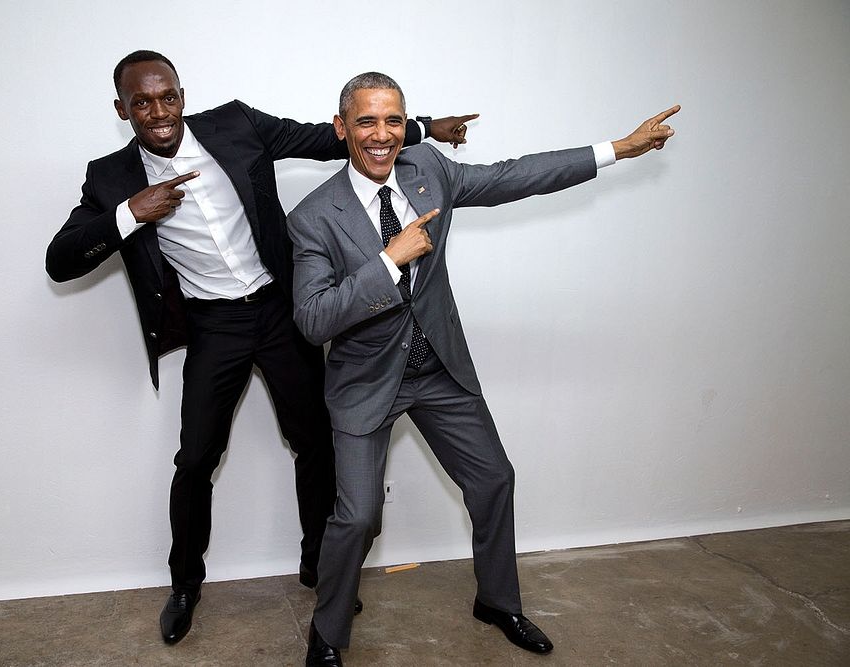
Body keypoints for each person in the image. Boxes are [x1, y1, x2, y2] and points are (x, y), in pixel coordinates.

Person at [45, 51, 477, 645]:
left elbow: (329, 138)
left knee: (314, 442)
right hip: (214, 327)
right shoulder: (110, 178)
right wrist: (128, 214)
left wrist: (429, 125)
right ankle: (184, 585)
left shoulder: (236, 125)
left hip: (280, 312)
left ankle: (318, 568)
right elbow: (60, 261)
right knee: (195, 459)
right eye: (141, 103)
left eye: (166, 96)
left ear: (182, 95)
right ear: (123, 110)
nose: (158, 111)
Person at [287, 71, 678, 665]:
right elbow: (313, 320)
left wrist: (616, 150)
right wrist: (388, 262)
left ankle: (497, 601)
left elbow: (512, 177)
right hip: (366, 383)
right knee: (358, 516)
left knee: (495, 479)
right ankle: (328, 631)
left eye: (393, 119)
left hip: (438, 369)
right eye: (366, 121)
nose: (382, 134)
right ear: (342, 128)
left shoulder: (428, 170)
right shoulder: (314, 217)